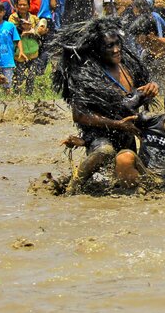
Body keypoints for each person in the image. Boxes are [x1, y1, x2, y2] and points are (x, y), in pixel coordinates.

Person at [52, 17, 159, 192]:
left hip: (127, 134)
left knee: (128, 185)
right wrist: (117, 124)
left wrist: (151, 89)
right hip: (100, 135)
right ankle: (73, 186)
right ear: (98, 49)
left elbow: (134, 101)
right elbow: (79, 116)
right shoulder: (87, 75)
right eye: (109, 46)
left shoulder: (129, 65)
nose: (116, 50)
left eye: (118, 44)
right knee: (105, 151)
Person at [8, 0, 47, 94]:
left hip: (33, 52)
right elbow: (13, 30)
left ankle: (29, 95)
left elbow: (42, 29)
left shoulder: (34, 18)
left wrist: (42, 30)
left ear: (29, 6)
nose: (22, 7)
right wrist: (28, 30)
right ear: (16, 6)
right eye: (20, 5)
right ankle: (17, 95)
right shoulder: (13, 18)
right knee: (19, 76)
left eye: (24, 5)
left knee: (31, 75)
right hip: (19, 53)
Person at [0, 3, 24, 90]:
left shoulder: (10, 26)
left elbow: (17, 39)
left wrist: (21, 51)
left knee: (7, 81)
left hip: (7, 57)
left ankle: (7, 96)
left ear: (3, 12)